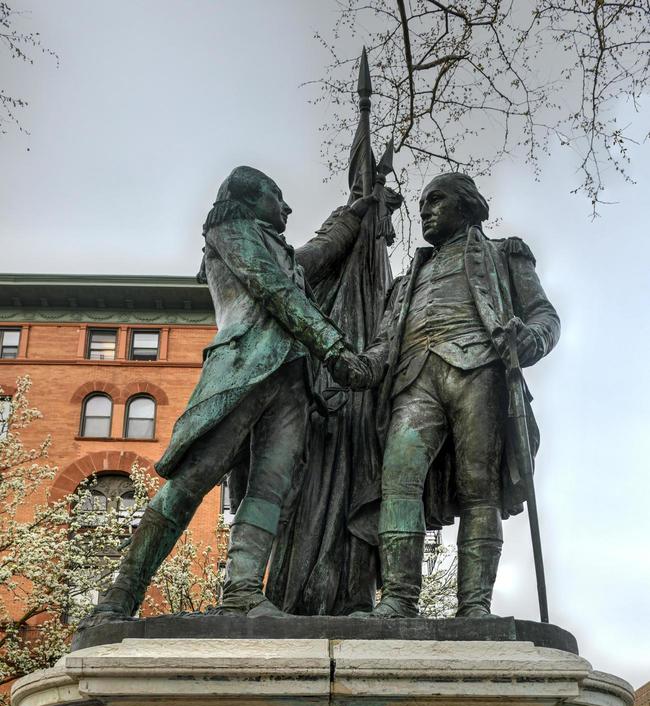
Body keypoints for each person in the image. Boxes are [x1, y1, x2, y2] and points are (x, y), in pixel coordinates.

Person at [79, 166, 377, 626]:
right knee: (193, 479)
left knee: (269, 490)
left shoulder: (283, 253)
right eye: (277, 196)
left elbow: (320, 252)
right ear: (247, 197)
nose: (287, 206)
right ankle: (119, 598)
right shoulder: (228, 229)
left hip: (291, 380)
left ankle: (241, 592)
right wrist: (334, 349)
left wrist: (354, 212)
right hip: (242, 366)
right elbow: (272, 291)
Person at [357, 172, 560, 618]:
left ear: (466, 206)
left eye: (436, 200)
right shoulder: (410, 276)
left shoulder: (504, 253)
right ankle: (397, 600)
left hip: (480, 370)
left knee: (479, 488)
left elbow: (545, 315)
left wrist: (531, 339)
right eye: (423, 202)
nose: (425, 210)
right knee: (398, 481)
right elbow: (385, 336)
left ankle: (474, 607)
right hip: (413, 379)